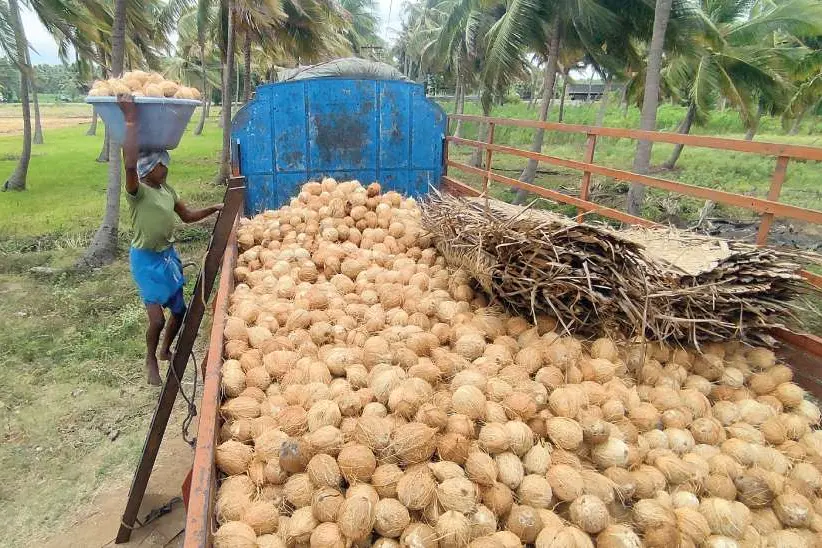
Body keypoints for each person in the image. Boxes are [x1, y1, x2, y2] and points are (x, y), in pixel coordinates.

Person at [119, 95, 223, 385]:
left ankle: (166, 348)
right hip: (146, 260)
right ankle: (150, 357)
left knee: (179, 311)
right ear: (150, 168)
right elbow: (128, 166)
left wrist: (214, 208)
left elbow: (187, 216)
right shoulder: (138, 191)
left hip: (167, 256)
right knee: (157, 319)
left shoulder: (167, 191)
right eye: (163, 165)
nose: (167, 168)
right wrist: (130, 119)